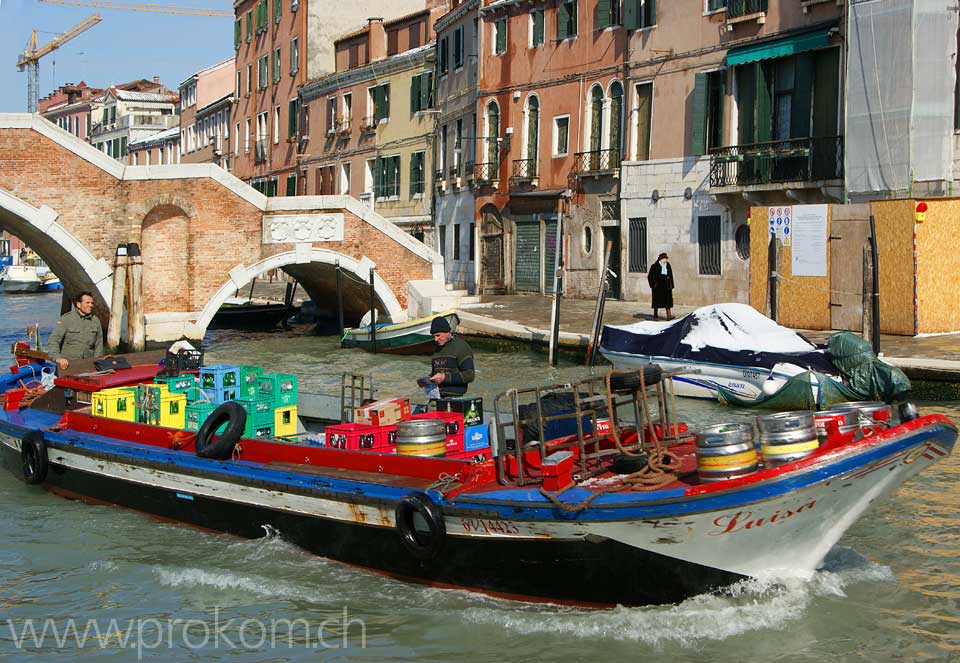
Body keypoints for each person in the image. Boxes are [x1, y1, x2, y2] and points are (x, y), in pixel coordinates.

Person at [48, 291, 104, 371]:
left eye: (92, 303)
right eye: (87, 303)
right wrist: (57, 358)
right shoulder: (66, 319)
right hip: (68, 365)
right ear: (78, 304)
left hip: (88, 365)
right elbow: (53, 340)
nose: (91, 305)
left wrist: (98, 362)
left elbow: (99, 344)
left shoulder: (95, 321)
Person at [422, 316, 475, 398]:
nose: (435, 339)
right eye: (434, 336)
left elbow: (470, 375)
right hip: (436, 397)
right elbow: (436, 372)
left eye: (438, 335)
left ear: (447, 332)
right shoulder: (436, 349)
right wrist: (428, 380)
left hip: (455, 397)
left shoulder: (461, 347)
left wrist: (444, 378)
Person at [647, 252, 675, 320]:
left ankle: (669, 315)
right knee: (656, 301)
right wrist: (654, 284)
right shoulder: (654, 266)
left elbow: (670, 275)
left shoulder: (668, 265)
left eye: (666, 259)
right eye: (664, 259)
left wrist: (671, 285)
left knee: (667, 301)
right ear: (661, 259)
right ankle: (655, 316)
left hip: (666, 285)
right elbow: (650, 276)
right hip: (658, 286)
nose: (666, 260)